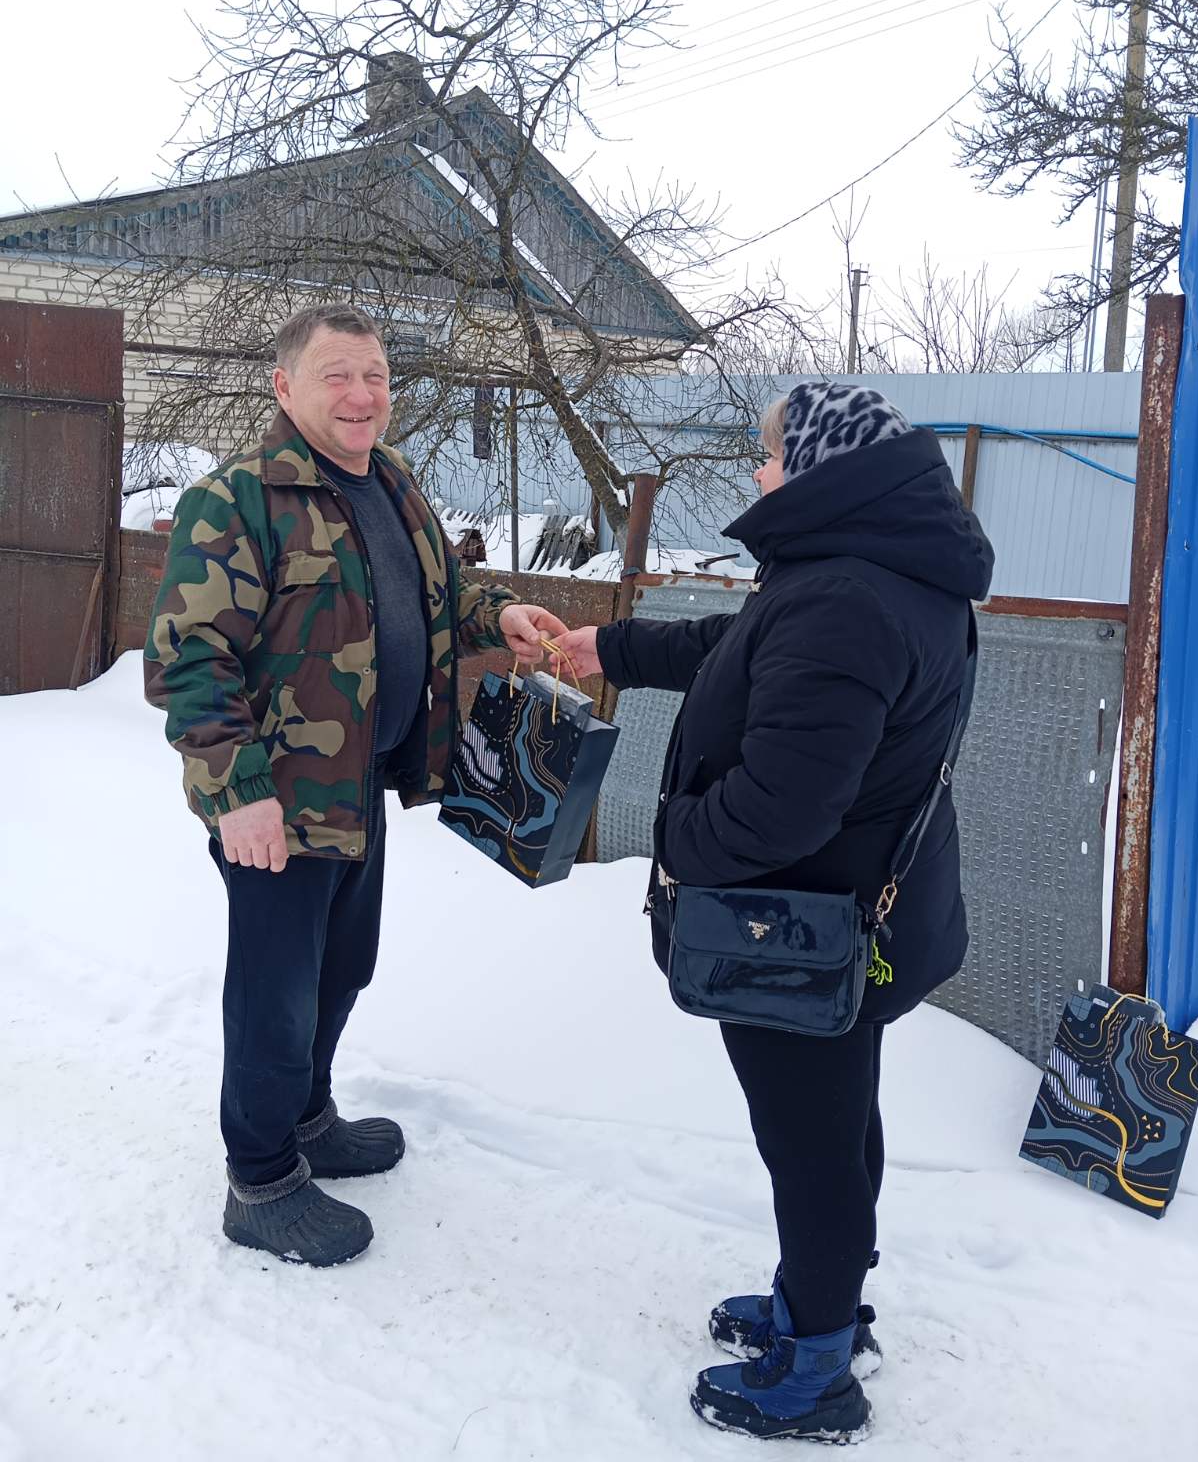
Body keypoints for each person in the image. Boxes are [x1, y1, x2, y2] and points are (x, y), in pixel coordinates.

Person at [555, 381, 993, 1443]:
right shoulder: (871, 569)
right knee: (834, 1124)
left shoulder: (846, 597)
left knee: (809, 1145)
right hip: (850, 919)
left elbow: (781, 809)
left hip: (794, 932)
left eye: (769, 454)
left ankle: (815, 1372)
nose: (756, 473)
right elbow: (743, 649)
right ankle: (820, 1303)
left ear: (820, 469)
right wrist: (611, 650)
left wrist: (674, 844)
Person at [145, 303, 567, 1267]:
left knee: (342, 970)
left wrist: (496, 615)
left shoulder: (391, 482)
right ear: (284, 386)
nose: (361, 394)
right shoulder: (238, 499)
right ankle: (260, 1179)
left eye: (374, 375)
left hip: (358, 787)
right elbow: (189, 658)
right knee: (274, 996)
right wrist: (235, 793)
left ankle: (307, 1119)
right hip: (275, 803)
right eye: (336, 375)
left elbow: (432, 596)